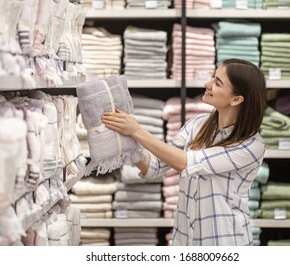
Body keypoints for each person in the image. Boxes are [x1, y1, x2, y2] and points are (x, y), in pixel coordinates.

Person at [101, 58, 267, 246]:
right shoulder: (197, 125)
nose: (208, 84)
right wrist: (127, 140)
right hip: (185, 239)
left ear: (236, 99)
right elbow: (155, 165)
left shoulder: (251, 145)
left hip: (225, 241)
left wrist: (137, 131)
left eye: (217, 83)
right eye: (213, 77)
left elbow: (187, 163)